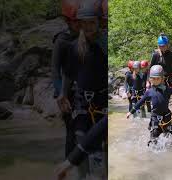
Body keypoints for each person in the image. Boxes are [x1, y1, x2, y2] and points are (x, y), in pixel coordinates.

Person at [57, 1, 107, 179]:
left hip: (101, 103)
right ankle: (82, 176)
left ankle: (102, 174)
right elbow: (69, 74)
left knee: (100, 146)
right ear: (79, 24)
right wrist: (63, 93)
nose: (88, 27)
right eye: (84, 23)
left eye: (92, 22)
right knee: (81, 139)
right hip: (81, 102)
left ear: (98, 22)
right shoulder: (73, 47)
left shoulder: (104, 46)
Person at [126, 65, 172, 146]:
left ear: (162, 79)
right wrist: (131, 112)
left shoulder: (166, 89)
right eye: (153, 78)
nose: (155, 80)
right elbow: (140, 102)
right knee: (153, 141)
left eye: (158, 78)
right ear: (150, 79)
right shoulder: (149, 92)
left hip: (167, 117)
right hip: (155, 118)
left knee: (169, 137)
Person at [52, 0, 80, 159]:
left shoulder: (87, 37)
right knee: (71, 131)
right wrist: (60, 94)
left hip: (84, 90)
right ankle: (69, 166)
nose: (78, 24)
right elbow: (55, 70)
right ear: (67, 21)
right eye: (75, 21)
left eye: (79, 20)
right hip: (67, 92)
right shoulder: (61, 40)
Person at [149, 33, 172, 110]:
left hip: (169, 79)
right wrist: (148, 81)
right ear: (158, 46)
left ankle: (169, 115)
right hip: (157, 80)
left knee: (169, 98)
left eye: (163, 46)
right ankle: (157, 114)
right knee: (157, 97)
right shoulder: (156, 55)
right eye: (160, 46)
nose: (162, 47)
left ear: (167, 45)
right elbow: (151, 68)